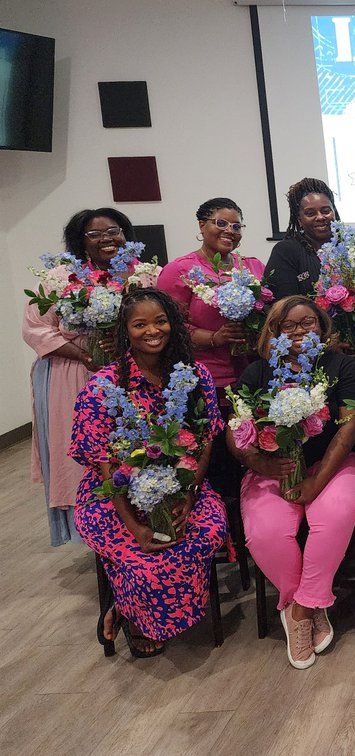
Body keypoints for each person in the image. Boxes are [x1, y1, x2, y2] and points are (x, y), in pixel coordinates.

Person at [69, 288, 227, 657]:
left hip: (183, 488)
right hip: (114, 497)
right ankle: (130, 612)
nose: (152, 330)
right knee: (145, 559)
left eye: (160, 320)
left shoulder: (194, 376)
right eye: (140, 324)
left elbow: (205, 441)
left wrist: (188, 495)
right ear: (125, 331)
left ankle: (124, 606)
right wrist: (136, 526)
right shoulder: (103, 388)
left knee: (199, 538)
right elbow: (105, 464)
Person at [228, 296, 355, 669]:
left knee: (334, 517)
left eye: (308, 323)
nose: (299, 332)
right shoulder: (257, 373)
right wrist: (257, 460)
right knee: (266, 532)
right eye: (288, 325)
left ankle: (301, 612)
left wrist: (317, 481)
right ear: (273, 332)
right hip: (272, 467)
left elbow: (349, 430)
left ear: (322, 327)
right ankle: (310, 603)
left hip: (331, 464)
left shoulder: (342, 367)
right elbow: (235, 427)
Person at [24, 207, 137, 546]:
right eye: (95, 234)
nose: (107, 239)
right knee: (82, 453)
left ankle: (137, 518)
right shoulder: (59, 277)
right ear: (80, 241)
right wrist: (86, 355)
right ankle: (95, 532)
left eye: (114, 231)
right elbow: (36, 330)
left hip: (127, 372)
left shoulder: (140, 274)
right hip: (70, 373)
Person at [158, 197, 266, 498]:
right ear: (201, 225)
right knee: (215, 458)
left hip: (250, 375)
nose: (229, 230)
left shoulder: (253, 267)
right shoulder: (179, 270)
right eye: (220, 223)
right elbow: (168, 328)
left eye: (236, 225)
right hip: (206, 381)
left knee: (253, 451)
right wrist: (214, 337)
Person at [264, 178, 339, 297]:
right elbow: (284, 304)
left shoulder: (352, 249)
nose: (320, 217)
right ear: (299, 220)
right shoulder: (286, 251)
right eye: (310, 213)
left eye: (325, 211)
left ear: (334, 212)